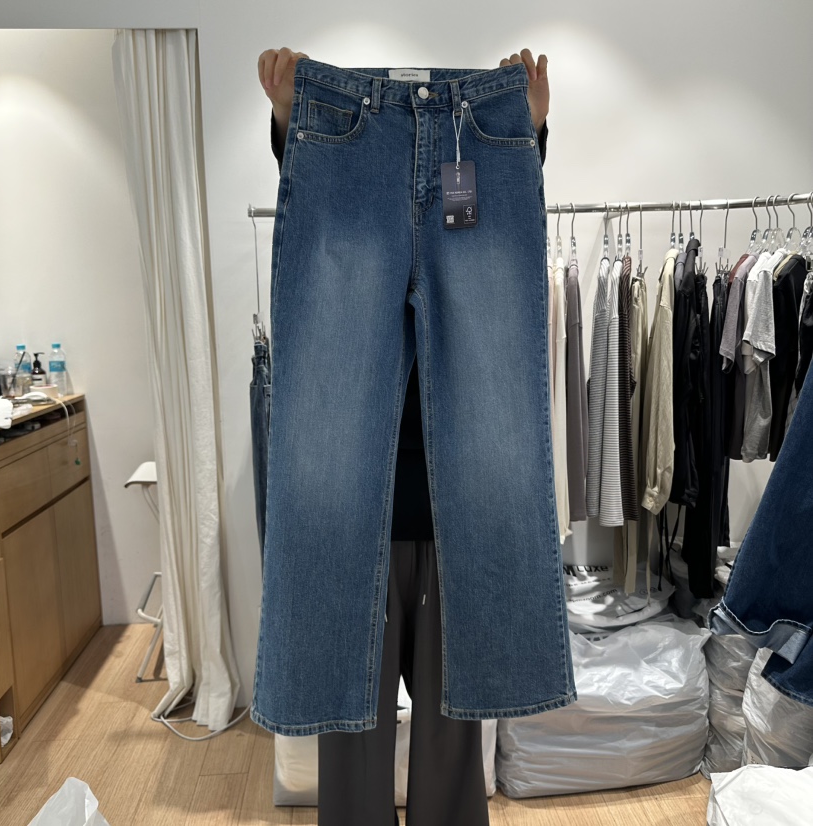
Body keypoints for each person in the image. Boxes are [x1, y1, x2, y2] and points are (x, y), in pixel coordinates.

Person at [258, 47, 550, 826]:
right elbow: (323, 216)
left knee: (452, 738)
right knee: (350, 726)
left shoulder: (477, 192)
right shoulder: (343, 198)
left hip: (453, 524)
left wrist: (523, 133)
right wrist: (294, 125)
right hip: (359, 525)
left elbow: (496, 229)